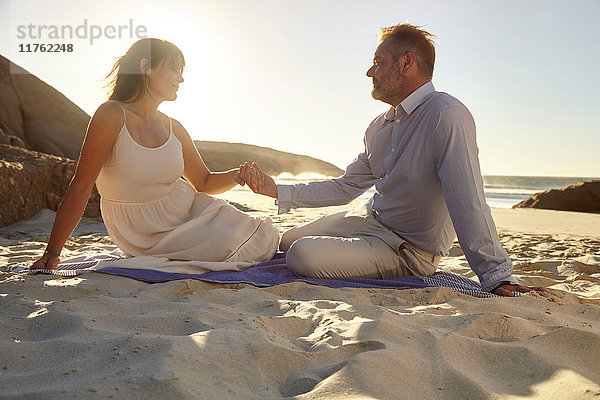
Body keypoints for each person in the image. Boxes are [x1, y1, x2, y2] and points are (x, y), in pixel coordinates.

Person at [239, 23, 547, 297]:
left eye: (378, 62)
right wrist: (276, 190)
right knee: (289, 239)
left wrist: (496, 275)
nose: (369, 72)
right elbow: (346, 186)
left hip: (406, 250)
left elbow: (468, 197)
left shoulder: (446, 114)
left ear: (407, 62)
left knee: (301, 255)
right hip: (368, 221)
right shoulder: (379, 126)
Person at [31, 38, 278, 272]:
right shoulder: (112, 115)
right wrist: (53, 251)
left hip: (190, 213)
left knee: (264, 237)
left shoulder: (174, 127)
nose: (180, 78)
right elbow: (81, 186)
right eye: (174, 69)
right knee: (246, 244)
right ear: (145, 66)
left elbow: (203, 182)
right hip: (142, 231)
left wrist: (238, 175)